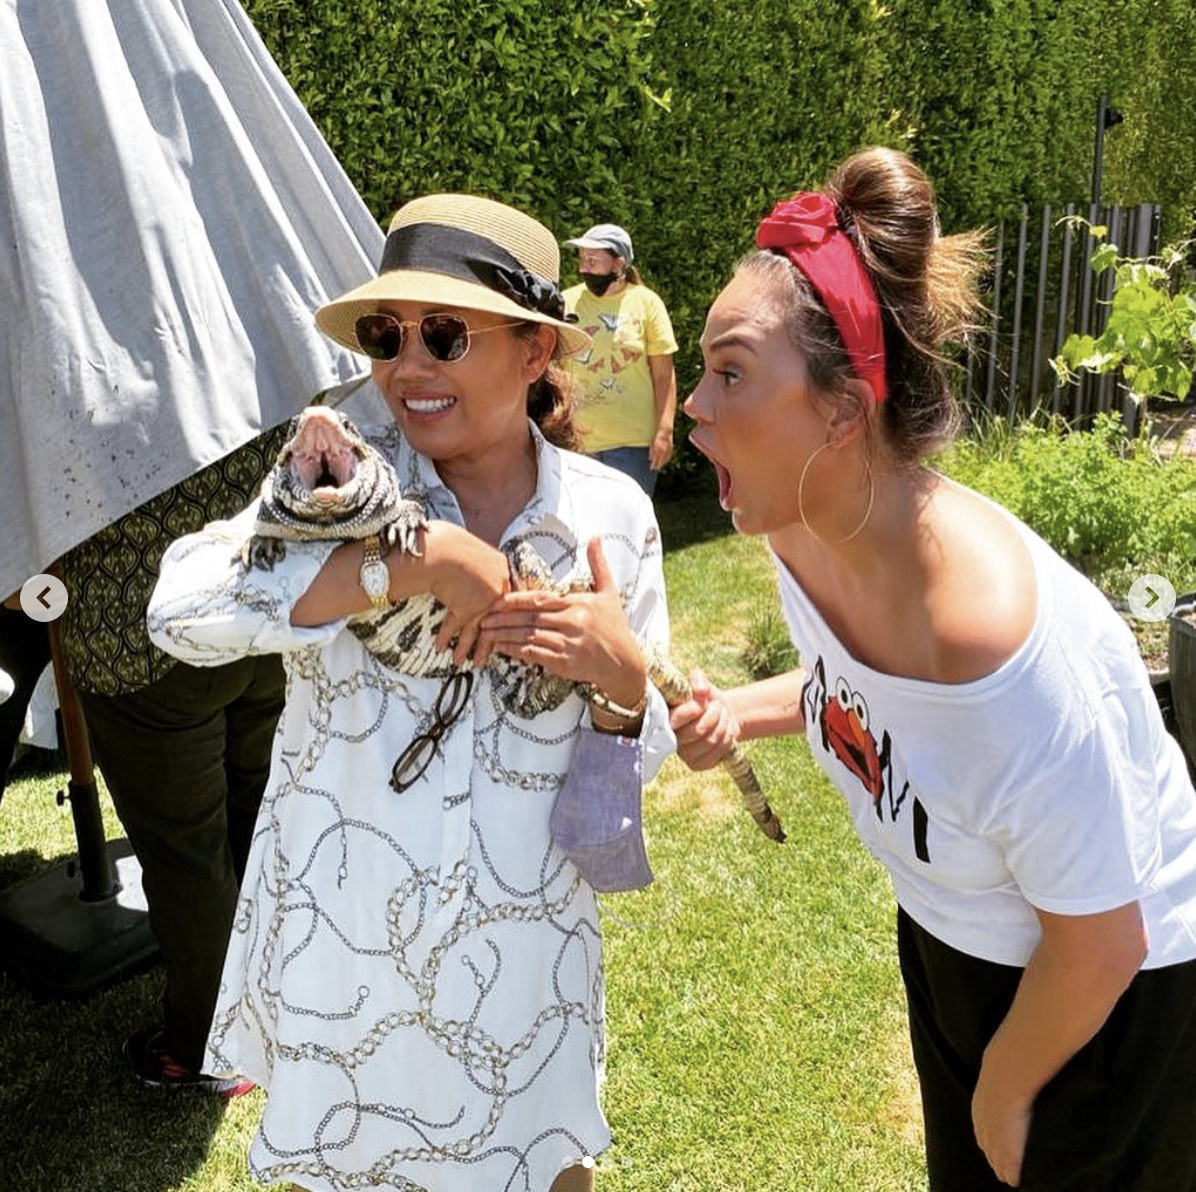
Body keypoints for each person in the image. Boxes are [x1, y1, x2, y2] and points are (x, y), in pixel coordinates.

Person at [671, 146, 1196, 1192]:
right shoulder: (797, 532)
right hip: (957, 944)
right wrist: (737, 707)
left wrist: (1000, 1089)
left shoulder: (991, 645)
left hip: (1106, 999)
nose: (690, 405)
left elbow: (1098, 940)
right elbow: (856, 697)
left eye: (729, 371)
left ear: (839, 406)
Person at [147, 194, 672, 1192]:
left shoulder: (606, 516)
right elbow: (178, 609)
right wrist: (414, 558)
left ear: (532, 351)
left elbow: (614, 805)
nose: (405, 367)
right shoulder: (337, 490)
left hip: (523, 968)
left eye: (443, 334)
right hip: (346, 969)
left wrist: (621, 682)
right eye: (386, 338)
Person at [61, 433, 290, 1095]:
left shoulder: (61, 351)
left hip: (143, 635)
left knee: (190, 852)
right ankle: (280, 1008)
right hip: (263, 602)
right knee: (260, 816)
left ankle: (208, 1050)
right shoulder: (235, 331)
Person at [561, 223, 677, 495]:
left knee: (628, 532)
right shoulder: (566, 303)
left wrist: (665, 431)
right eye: (581, 259)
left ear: (618, 265)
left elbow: (664, 374)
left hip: (633, 445)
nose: (584, 268)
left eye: (593, 260)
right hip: (577, 443)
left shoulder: (647, 303)